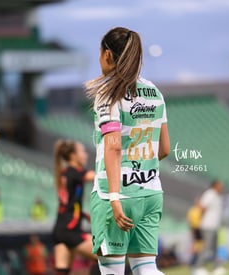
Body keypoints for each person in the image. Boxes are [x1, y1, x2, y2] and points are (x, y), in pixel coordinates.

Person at [86, 27, 171, 275]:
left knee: (112, 271)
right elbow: (164, 148)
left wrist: (115, 197)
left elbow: (112, 146)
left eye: (100, 53)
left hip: (115, 196)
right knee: (146, 269)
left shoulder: (108, 92)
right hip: (150, 192)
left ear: (108, 55)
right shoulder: (154, 92)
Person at [52, 140, 97, 275]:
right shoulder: (74, 172)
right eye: (82, 151)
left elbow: (69, 204)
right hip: (71, 232)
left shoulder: (66, 173)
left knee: (63, 271)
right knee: (108, 259)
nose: (86, 154)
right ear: (73, 155)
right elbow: (98, 176)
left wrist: (82, 215)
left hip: (61, 229)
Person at [195, 180, 225, 275]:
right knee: (206, 247)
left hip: (214, 225)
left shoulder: (217, 196)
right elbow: (201, 207)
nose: (222, 187)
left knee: (215, 248)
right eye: (220, 185)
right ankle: (198, 268)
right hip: (208, 225)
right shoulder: (209, 194)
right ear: (215, 186)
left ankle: (216, 268)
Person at [187, 197, 203, 267]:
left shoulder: (200, 210)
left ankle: (197, 259)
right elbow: (190, 220)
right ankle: (193, 260)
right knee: (195, 245)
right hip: (195, 228)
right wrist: (192, 230)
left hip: (200, 228)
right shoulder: (192, 210)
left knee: (200, 245)